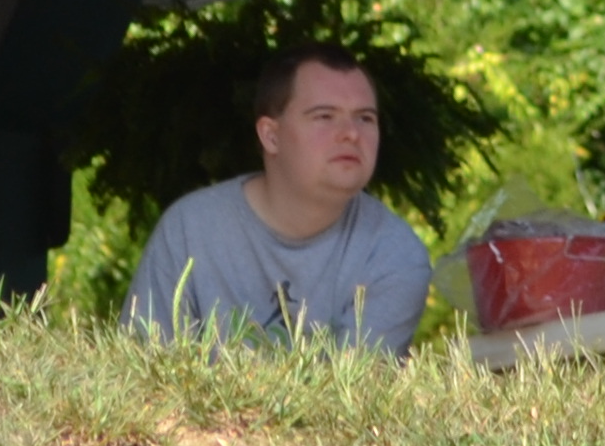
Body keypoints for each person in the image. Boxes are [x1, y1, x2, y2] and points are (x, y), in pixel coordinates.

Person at [127, 46, 436, 356]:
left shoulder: (394, 255)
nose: (351, 134)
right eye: (325, 116)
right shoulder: (190, 230)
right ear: (270, 136)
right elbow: (140, 370)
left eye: (365, 118)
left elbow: (351, 385)